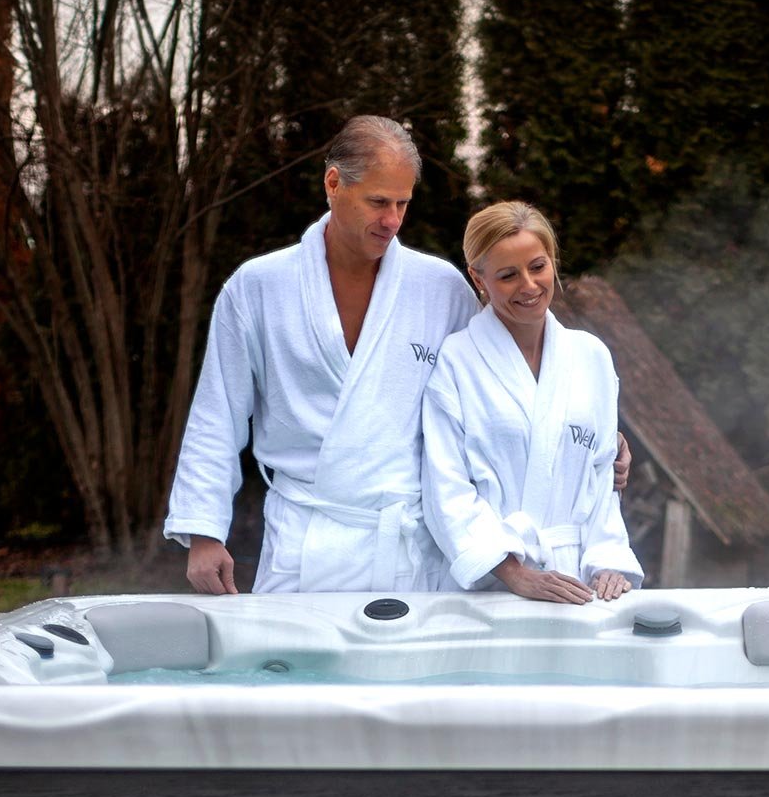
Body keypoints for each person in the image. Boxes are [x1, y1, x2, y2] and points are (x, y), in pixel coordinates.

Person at [165, 117, 631, 595]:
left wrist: (593, 439)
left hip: (414, 546)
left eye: (403, 203)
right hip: (305, 540)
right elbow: (217, 415)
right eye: (378, 202)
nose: (392, 220)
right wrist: (204, 533)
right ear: (333, 184)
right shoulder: (258, 288)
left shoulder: (440, 288)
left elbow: (503, 387)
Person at [421, 201, 642, 604]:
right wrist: (515, 575)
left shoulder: (590, 356)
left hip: (577, 582)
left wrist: (607, 560)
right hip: (491, 586)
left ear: (553, 262)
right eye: (508, 275)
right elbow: (445, 487)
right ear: (478, 278)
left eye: (538, 266)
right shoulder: (456, 361)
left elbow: (601, 477)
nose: (529, 286)